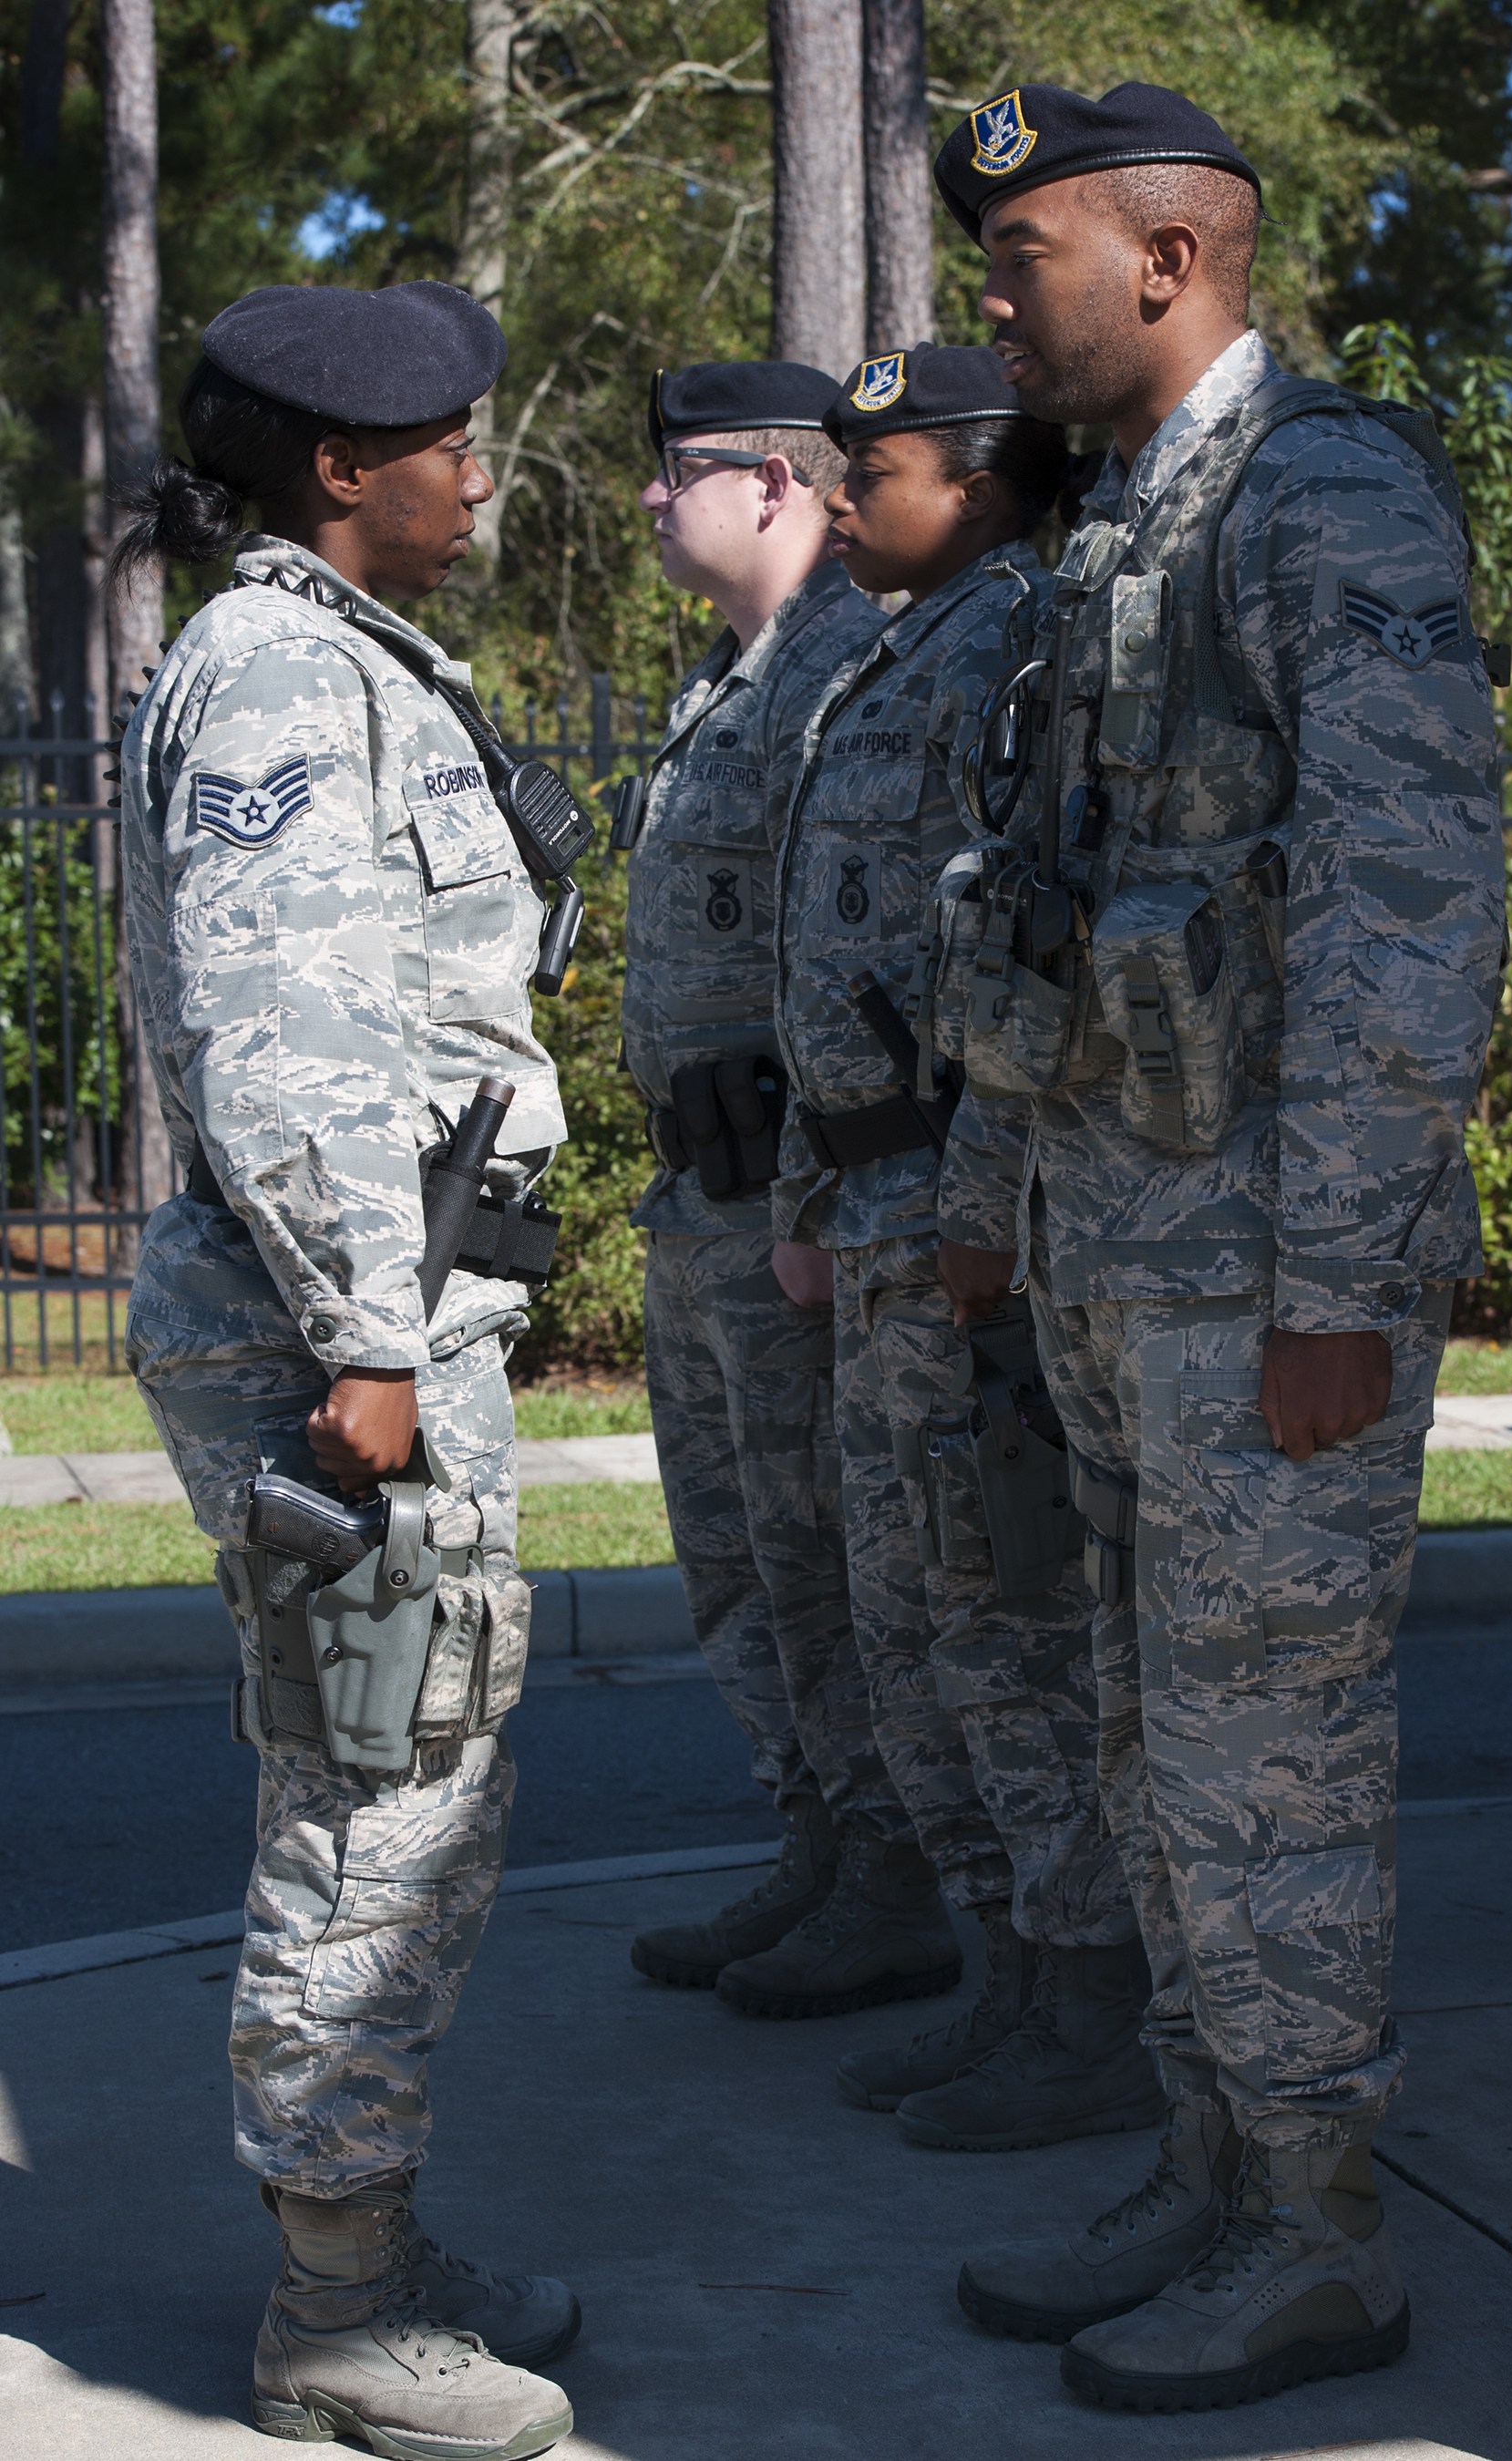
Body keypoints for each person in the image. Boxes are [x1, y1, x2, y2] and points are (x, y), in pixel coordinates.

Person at [926, 84, 1506, 2410]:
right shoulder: (1113, 535)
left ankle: (1317, 2234)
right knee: (1164, 1753)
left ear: (1166, 257)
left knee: (1268, 1762)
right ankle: (1206, 2165)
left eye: (1022, 247)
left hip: (1265, 1277)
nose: (988, 290)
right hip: (1117, 1259)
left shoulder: (1319, 497)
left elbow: (1403, 910)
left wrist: (1336, 1287)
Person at [115, 282, 578, 2459]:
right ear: (335, 466)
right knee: (377, 1806)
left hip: (383, 1318)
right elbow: (280, 1036)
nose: (475, 469)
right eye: (446, 438)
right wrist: (371, 1347)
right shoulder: (290, 669)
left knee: (415, 1787)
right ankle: (328, 2312)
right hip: (343, 1341)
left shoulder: (334, 660)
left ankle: (371, 2253)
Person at [752, 342, 1157, 2150]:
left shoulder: (1011, 646)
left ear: (981, 479)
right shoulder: (890, 648)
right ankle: (1001, 1975)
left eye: (877, 470)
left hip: (960, 1212)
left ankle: (1081, 1998)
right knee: (914, 1616)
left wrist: (979, 1208)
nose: (838, 502)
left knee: (1005, 1624)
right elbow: (814, 966)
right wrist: (806, 1196)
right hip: (877, 1204)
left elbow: (1015, 956)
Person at [622, 363, 947, 2018]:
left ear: (773, 483)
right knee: (735, 1556)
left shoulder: (838, 670)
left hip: (785, 1201)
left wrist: (817, 1193)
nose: (650, 501)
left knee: (824, 1552)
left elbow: (863, 957)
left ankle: (892, 1874)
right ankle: (815, 1843)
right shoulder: (720, 682)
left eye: (675, 471)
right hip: (703, 1198)